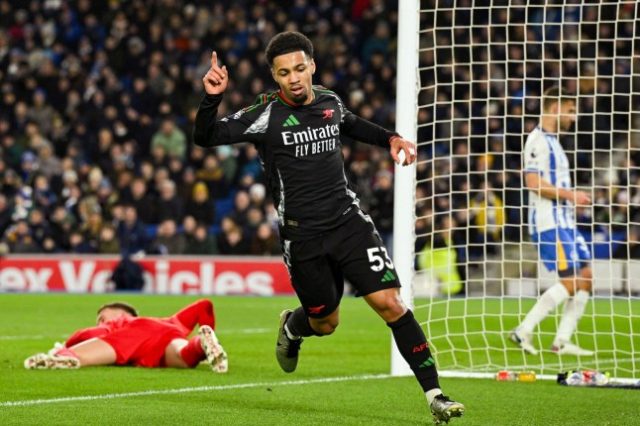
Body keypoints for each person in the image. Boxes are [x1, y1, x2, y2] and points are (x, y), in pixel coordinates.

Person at [193, 31, 463, 424]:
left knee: (391, 303)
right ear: (274, 76)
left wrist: (390, 138)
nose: (295, 78)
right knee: (326, 321)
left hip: (348, 223)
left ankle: (435, 394)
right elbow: (205, 137)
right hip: (302, 237)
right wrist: (212, 98)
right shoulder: (264, 114)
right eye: (285, 73)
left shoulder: (328, 101)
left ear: (312, 66)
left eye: (300, 68)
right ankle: (293, 325)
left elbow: (350, 123)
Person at [510, 86, 594, 356]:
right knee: (569, 281)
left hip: (566, 222)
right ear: (555, 108)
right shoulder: (537, 140)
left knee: (586, 279)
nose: (574, 116)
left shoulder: (554, 140)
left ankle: (561, 341)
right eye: (570, 110)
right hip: (548, 222)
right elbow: (532, 183)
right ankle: (523, 330)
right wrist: (572, 195)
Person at [24, 299, 228, 372]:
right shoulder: (171, 321)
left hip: (132, 338)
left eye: (102, 317)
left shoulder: (121, 323)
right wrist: (208, 328)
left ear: (122, 314)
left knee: (80, 357)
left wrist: (66, 344)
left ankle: (61, 357)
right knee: (184, 355)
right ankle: (203, 344)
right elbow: (205, 306)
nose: (101, 322)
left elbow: (88, 333)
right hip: (170, 335)